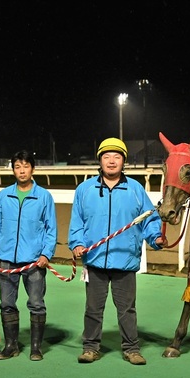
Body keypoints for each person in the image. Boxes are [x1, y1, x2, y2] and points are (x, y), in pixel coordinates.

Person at [68, 138, 167, 365]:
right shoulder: (84, 189)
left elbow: (149, 219)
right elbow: (77, 223)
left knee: (126, 309)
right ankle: (90, 347)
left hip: (125, 260)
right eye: (106, 156)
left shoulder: (135, 189)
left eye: (117, 157)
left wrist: (156, 238)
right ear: (99, 161)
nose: (111, 161)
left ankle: (132, 349)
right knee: (93, 309)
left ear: (124, 161)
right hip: (95, 260)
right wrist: (77, 244)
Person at [0, 150, 57, 361]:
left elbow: (51, 229)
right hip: (6, 260)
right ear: (13, 170)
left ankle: (36, 348)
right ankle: (11, 346)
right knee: (6, 303)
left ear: (32, 169)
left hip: (35, 262)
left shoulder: (44, 196)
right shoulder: (4, 195)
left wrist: (46, 254)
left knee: (36, 303)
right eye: (17, 167)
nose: (22, 171)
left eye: (26, 166)